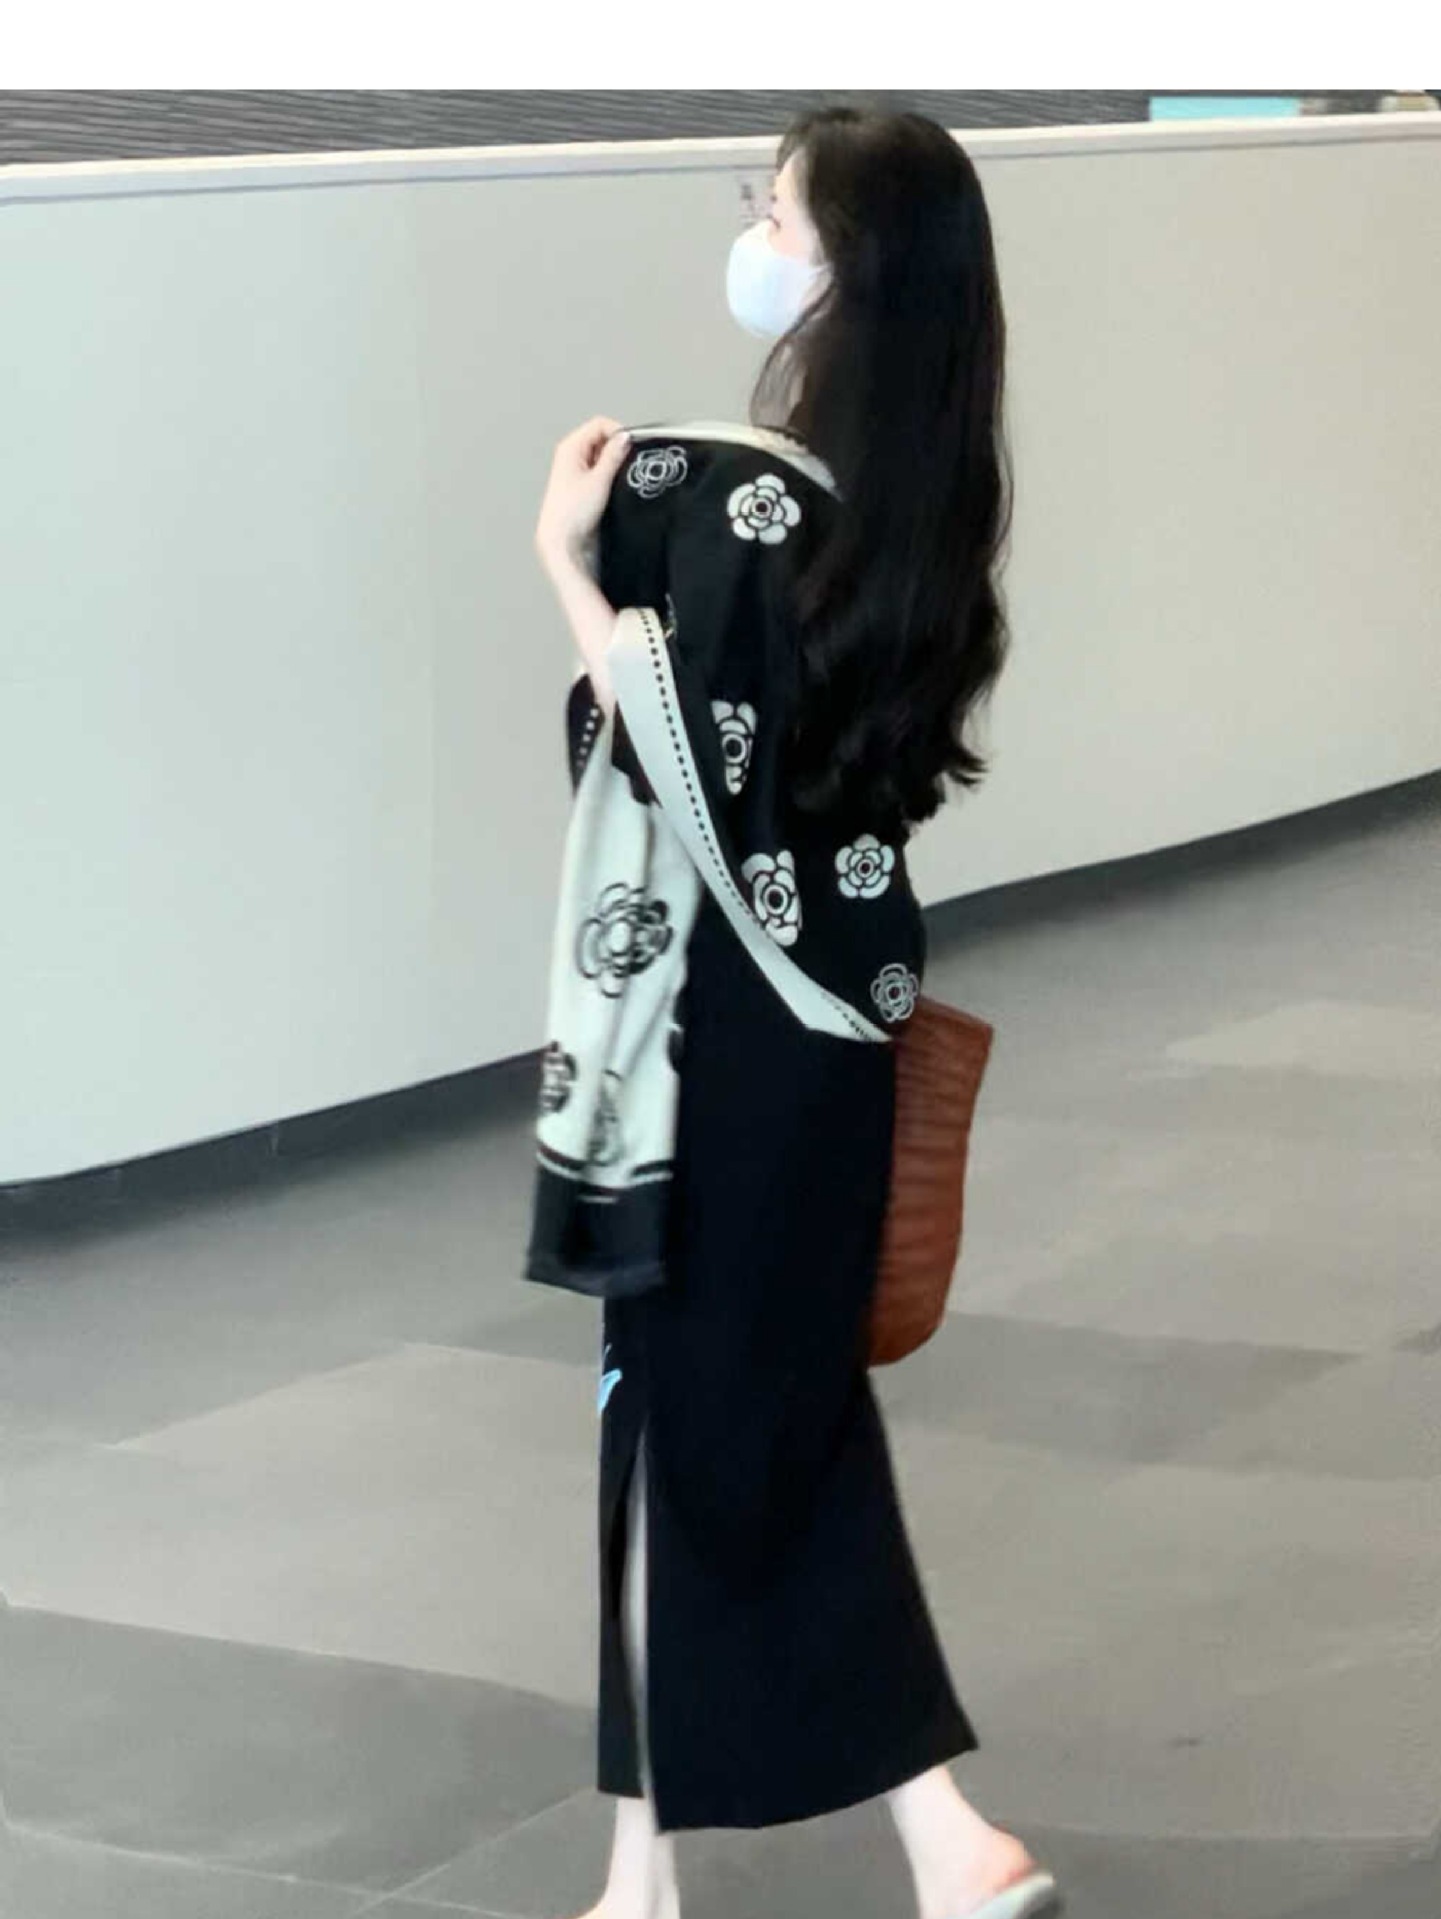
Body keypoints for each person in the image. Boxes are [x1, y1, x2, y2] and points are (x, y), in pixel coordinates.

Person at [530, 107, 1062, 1919]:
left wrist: (567, 566)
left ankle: (661, 1878)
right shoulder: (924, 492)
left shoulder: (747, 496)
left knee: (684, 1421)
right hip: (834, 1024)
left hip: (725, 1047)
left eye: (773, 211)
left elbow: (681, 750)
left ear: (840, 262)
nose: (753, 236)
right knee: (773, 1420)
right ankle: (932, 1844)